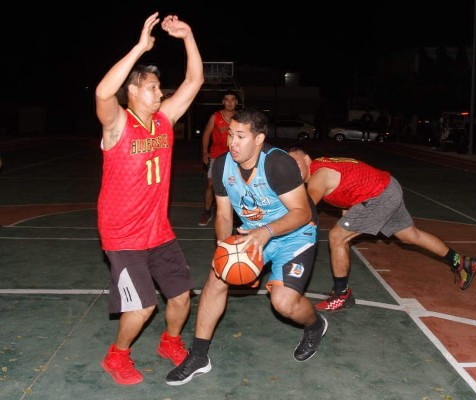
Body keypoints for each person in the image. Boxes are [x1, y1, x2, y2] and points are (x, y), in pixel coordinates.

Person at [166, 108, 327, 386]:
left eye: (240, 136)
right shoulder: (220, 165)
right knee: (216, 278)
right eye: (230, 135)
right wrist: (224, 245)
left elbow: (302, 212)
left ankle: (315, 325)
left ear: (259, 138)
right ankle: (199, 356)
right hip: (252, 234)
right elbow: (225, 215)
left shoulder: (278, 164)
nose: (232, 143)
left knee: (283, 303)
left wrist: (266, 232)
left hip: (294, 234)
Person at [95, 12, 204, 385]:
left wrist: (188, 37)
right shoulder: (117, 124)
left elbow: (195, 80)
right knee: (142, 306)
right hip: (122, 234)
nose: (161, 92)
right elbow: (102, 93)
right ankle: (116, 356)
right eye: (153, 87)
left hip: (158, 230)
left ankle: (169, 342)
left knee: (181, 296)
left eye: (160, 87)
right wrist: (141, 46)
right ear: (134, 90)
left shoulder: (165, 121)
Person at [287, 144, 476, 312]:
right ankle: (461, 262)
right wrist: (349, 217)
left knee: (337, 237)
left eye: (294, 163)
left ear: (306, 159)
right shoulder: (325, 165)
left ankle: (342, 295)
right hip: (388, 187)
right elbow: (347, 187)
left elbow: (306, 208)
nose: (292, 169)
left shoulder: (318, 175)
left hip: (378, 196)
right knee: (410, 235)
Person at [198, 90, 239, 226]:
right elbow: (206, 134)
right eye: (227, 99)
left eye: (232, 99)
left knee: (237, 185)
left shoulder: (241, 117)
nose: (229, 102)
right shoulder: (215, 116)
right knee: (211, 183)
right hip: (216, 155)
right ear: (223, 102)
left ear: (236, 102)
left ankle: (237, 214)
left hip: (235, 156)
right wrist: (205, 152)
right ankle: (207, 211)